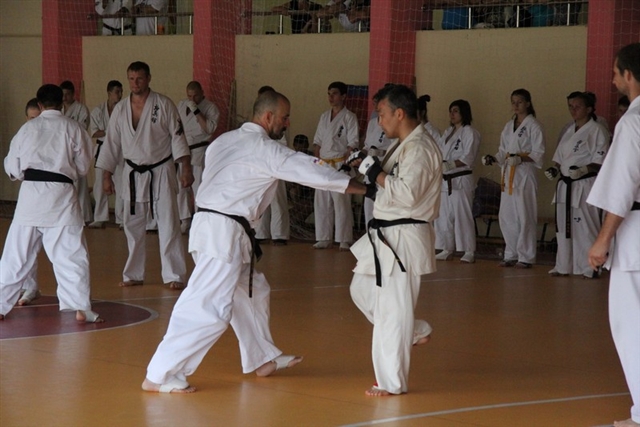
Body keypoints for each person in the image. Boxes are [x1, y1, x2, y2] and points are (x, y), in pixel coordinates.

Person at [142, 90, 367, 393]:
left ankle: (262, 358)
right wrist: (363, 188)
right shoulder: (266, 149)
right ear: (268, 117)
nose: (287, 123)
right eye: (284, 117)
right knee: (207, 306)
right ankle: (160, 374)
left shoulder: (223, 141)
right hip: (224, 233)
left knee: (253, 290)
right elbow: (310, 170)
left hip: (212, 227)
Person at [346, 84, 441, 396]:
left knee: (392, 311)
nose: (379, 121)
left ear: (399, 113)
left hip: (403, 237)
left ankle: (391, 382)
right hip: (386, 234)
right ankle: (412, 329)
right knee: (361, 290)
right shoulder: (402, 145)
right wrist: (366, 166)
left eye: (381, 114)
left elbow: (408, 193)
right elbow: (385, 185)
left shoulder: (420, 148)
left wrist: (374, 171)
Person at [0, 84, 102, 323]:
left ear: (39, 104)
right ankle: (80, 307)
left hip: (30, 198)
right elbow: (83, 166)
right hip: (61, 196)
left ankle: (1, 304)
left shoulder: (27, 129)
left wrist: (25, 173)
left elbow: (13, 166)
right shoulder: (74, 128)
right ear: (62, 103)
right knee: (71, 255)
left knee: (15, 256)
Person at [96, 61, 193, 290]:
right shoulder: (121, 109)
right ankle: (133, 274)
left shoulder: (163, 104)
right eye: (131, 79)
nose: (135, 83)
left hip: (162, 170)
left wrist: (186, 168)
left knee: (168, 222)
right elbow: (111, 143)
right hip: (132, 172)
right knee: (132, 225)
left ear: (148, 78)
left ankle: (174, 274)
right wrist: (107, 175)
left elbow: (178, 137)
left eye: (139, 78)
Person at [587, 42, 640, 427]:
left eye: (615, 72)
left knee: (631, 324)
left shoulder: (633, 122)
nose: (612, 80)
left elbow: (623, 186)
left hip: (636, 240)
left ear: (630, 76)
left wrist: (603, 239)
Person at [545, 91, 608, 278]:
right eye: (570, 106)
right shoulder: (568, 130)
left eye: (577, 106)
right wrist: (555, 169)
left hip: (584, 184)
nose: (573, 110)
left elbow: (602, 161)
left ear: (589, 109)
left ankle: (590, 267)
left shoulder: (597, 130)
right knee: (563, 227)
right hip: (566, 184)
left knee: (585, 227)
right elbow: (560, 158)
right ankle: (563, 265)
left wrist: (584, 169)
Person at [482, 89, 545, 268]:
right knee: (507, 215)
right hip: (508, 174)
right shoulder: (509, 126)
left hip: (524, 175)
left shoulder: (534, 125)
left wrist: (520, 158)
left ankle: (526, 256)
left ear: (528, 103)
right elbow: (503, 151)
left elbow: (539, 153)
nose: (516, 106)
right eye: (513, 102)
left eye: (520, 102)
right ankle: (511, 253)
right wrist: (493, 158)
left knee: (525, 215)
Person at [312, 81, 359, 250]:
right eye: (329, 94)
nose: (331, 97)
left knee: (341, 202)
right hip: (324, 164)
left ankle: (343, 238)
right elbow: (317, 141)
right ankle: (323, 237)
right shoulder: (324, 116)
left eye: (334, 93)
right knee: (322, 202)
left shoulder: (349, 117)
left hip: (340, 163)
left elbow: (353, 142)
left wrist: (346, 162)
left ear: (343, 96)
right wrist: (317, 160)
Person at [434, 99, 480, 264]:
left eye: (456, 111)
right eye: (451, 111)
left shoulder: (470, 132)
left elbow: (469, 157)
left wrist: (451, 164)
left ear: (464, 113)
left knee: (462, 216)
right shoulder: (448, 132)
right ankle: (446, 248)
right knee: (444, 216)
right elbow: (439, 152)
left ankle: (469, 250)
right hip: (445, 180)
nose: (452, 114)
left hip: (460, 180)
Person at [176, 80, 220, 234]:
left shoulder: (211, 108)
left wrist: (196, 111)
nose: (192, 99)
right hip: (183, 150)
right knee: (182, 187)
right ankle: (185, 219)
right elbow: (176, 126)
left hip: (200, 150)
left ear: (202, 93)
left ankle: (199, 220)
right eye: (189, 96)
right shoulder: (182, 105)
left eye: (195, 96)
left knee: (198, 187)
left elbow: (209, 128)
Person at [15, 98, 43, 306]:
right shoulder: (23, 135)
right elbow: (14, 167)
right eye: (31, 118)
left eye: (38, 118)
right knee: (26, 244)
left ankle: (75, 297)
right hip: (30, 195)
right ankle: (30, 286)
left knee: (64, 249)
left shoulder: (55, 134)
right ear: (26, 118)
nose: (35, 122)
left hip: (56, 197)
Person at [254, 86, 290, 245]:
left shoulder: (279, 121)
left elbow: (283, 144)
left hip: (276, 164)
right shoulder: (256, 122)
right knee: (261, 200)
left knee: (277, 200)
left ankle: (279, 234)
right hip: (260, 166)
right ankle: (261, 232)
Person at [88, 80, 125, 229]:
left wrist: (106, 131)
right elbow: (94, 132)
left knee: (121, 183)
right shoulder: (98, 111)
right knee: (99, 184)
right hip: (103, 149)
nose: (120, 95)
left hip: (120, 150)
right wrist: (111, 131)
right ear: (109, 93)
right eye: (117, 92)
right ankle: (100, 217)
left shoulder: (124, 110)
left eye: (121, 91)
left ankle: (121, 218)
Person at [61, 80, 93, 224]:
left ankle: (84, 217)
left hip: (77, 152)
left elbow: (81, 130)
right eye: (62, 94)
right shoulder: (59, 110)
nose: (64, 97)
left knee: (80, 186)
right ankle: (67, 217)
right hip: (63, 153)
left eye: (67, 94)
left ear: (73, 94)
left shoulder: (81, 109)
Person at [361, 91, 393, 227]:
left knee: (383, 207)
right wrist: (360, 154)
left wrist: (379, 152)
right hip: (370, 167)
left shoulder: (392, 123)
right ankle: (369, 234)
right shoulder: (372, 123)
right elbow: (367, 146)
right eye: (373, 103)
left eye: (376, 103)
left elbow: (396, 148)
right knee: (369, 207)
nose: (374, 106)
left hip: (385, 168)